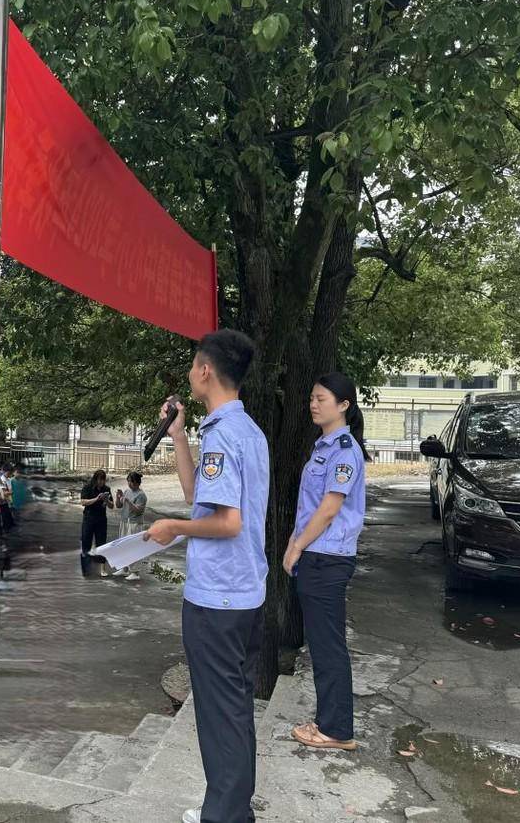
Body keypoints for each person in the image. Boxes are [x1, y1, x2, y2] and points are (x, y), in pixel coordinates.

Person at [144, 329, 268, 823]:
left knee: (221, 715)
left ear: (205, 371)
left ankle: (224, 815)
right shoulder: (248, 431)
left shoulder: (223, 435)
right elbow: (202, 493)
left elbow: (227, 521)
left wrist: (173, 526)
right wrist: (177, 435)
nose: (192, 372)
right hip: (244, 592)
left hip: (218, 599)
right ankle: (230, 808)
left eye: (195, 364)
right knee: (232, 709)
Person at [283, 372, 368, 753]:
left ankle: (335, 729)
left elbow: (330, 509)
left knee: (327, 645)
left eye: (321, 398)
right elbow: (311, 507)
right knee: (321, 643)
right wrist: (294, 541)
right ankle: (328, 721)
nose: (313, 404)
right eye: (312, 398)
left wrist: (298, 546)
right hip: (317, 554)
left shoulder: (344, 450)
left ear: (344, 405)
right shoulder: (323, 447)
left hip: (326, 558)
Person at [79, 469, 114, 577]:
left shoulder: (106, 489)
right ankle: (85, 569)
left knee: (102, 544)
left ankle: (102, 569)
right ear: (95, 479)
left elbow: (112, 506)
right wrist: (96, 499)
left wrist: (106, 500)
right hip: (89, 518)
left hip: (101, 519)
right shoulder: (87, 487)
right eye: (99, 480)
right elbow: (83, 502)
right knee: (86, 543)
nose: (101, 482)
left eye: (103, 480)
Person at [116, 472, 148, 581]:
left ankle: (135, 572)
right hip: (125, 521)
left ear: (137, 483)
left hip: (135, 523)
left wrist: (128, 502)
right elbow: (119, 505)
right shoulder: (127, 491)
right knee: (123, 545)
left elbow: (139, 510)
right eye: (128, 481)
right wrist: (118, 496)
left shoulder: (141, 495)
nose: (129, 484)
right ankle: (124, 568)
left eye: (131, 482)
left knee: (133, 547)